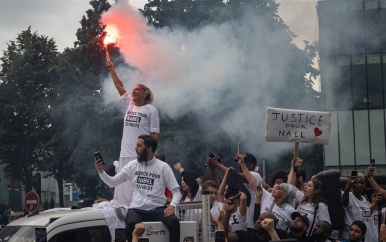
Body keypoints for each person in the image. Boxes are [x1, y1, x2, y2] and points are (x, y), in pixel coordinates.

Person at [94, 134, 181, 242]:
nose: (135, 149)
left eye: (139, 146)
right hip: (137, 209)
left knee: (174, 221)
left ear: (149, 148)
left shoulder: (163, 167)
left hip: (157, 208)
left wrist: (172, 206)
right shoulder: (132, 165)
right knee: (130, 223)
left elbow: (177, 192)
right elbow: (113, 182)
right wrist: (100, 171)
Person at [107, 60, 160, 207]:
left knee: (137, 188)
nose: (133, 91)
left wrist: (152, 155)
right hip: (125, 152)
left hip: (140, 154)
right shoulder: (130, 104)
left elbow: (155, 134)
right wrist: (112, 69)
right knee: (122, 188)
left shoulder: (151, 110)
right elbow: (119, 86)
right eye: (133, 89)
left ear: (146, 93)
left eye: (137, 89)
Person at [207, 152, 262, 230]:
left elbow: (233, 174)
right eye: (238, 162)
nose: (239, 164)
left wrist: (216, 163)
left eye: (242, 162)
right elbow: (219, 192)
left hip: (250, 224)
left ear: (251, 165)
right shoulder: (236, 182)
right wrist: (213, 169)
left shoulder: (255, 175)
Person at [288, 158, 331, 236]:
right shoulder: (302, 199)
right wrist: (293, 168)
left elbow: (325, 227)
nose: (305, 187)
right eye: (306, 185)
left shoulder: (321, 206)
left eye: (309, 186)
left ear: (316, 191)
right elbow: (290, 186)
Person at [340, 172, 379, 242]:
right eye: (357, 182)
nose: (360, 185)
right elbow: (344, 202)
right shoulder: (348, 195)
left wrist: (375, 203)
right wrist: (347, 187)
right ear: (352, 184)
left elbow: (366, 215)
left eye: (362, 183)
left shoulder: (364, 200)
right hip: (348, 238)